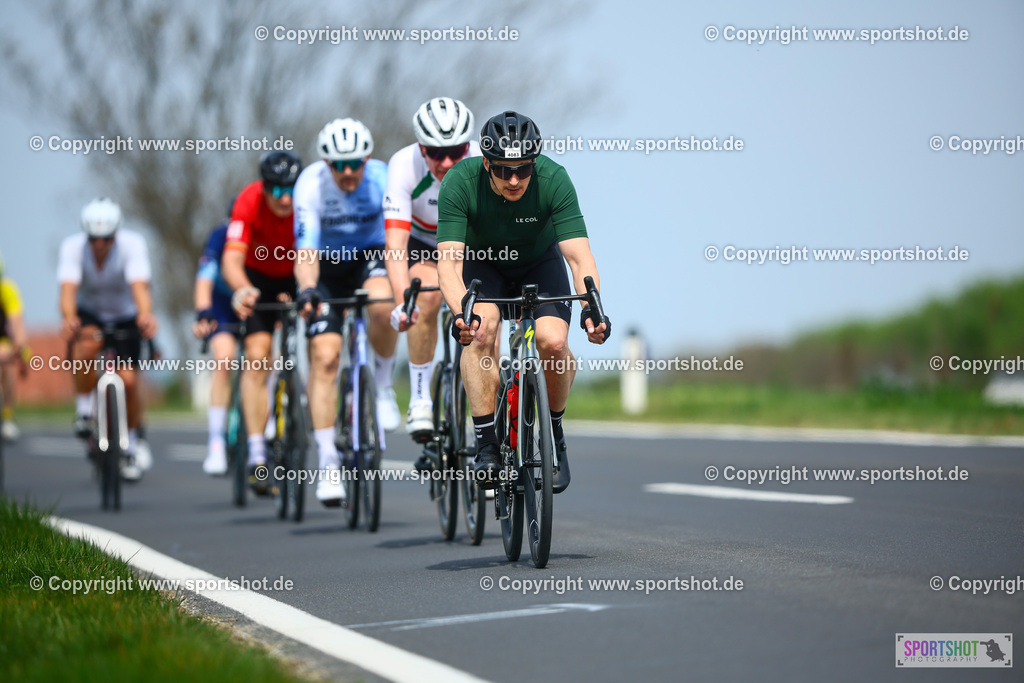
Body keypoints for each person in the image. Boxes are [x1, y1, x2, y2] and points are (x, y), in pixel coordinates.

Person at [436, 111, 610, 494]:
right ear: (486, 163)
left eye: (523, 170)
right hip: (484, 266)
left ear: (534, 163)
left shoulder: (553, 179)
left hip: (538, 263)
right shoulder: (460, 182)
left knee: (554, 342)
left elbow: (580, 257)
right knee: (481, 331)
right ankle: (486, 446)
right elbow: (448, 264)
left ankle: (555, 431)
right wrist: (460, 314)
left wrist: (591, 309)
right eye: (502, 170)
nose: (514, 180)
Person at [293, 117, 397, 506]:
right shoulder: (310, 185)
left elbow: (397, 237)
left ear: (367, 158)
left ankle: (383, 389)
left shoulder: (382, 177)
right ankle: (328, 462)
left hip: (370, 258)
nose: (349, 172)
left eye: (356, 162)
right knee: (325, 357)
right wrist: (306, 289)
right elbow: (305, 251)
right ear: (326, 164)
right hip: (325, 268)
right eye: (339, 165)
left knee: (384, 303)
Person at [383, 97, 480, 447]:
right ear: (421, 149)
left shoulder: (483, 162)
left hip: (472, 245)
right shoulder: (403, 165)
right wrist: (401, 303)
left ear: (468, 146)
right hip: (423, 244)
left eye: (456, 150)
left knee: (487, 317)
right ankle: (421, 397)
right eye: (436, 153)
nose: (447, 162)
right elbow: (395, 245)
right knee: (425, 294)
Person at [58, 198, 158, 481]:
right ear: (85, 235)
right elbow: (67, 291)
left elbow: (140, 286)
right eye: (94, 239)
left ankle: (133, 441)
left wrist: (146, 315)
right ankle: (84, 410)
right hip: (91, 313)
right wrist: (69, 318)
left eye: (106, 239)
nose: (100, 245)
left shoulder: (132, 245)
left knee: (128, 380)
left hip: (126, 314)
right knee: (86, 344)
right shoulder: (72, 248)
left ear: (116, 234)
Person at [222, 150, 303, 493]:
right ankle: (257, 452)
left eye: (291, 190)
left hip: (298, 273)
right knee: (257, 355)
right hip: (258, 279)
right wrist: (243, 290)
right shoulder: (249, 200)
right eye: (278, 191)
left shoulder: (307, 197)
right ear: (265, 187)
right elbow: (231, 259)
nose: (286, 198)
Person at [192, 209, 240, 475]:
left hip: (256, 299)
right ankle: (216, 443)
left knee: (267, 358)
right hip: (223, 306)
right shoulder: (220, 236)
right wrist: (203, 312)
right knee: (224, 358)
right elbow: (204, 279)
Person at [0, 252, 29, 442]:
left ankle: (7, 416)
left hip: (2, 340)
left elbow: (17, 323)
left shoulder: (7, 290)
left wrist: (20, 348)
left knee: (7, 359)